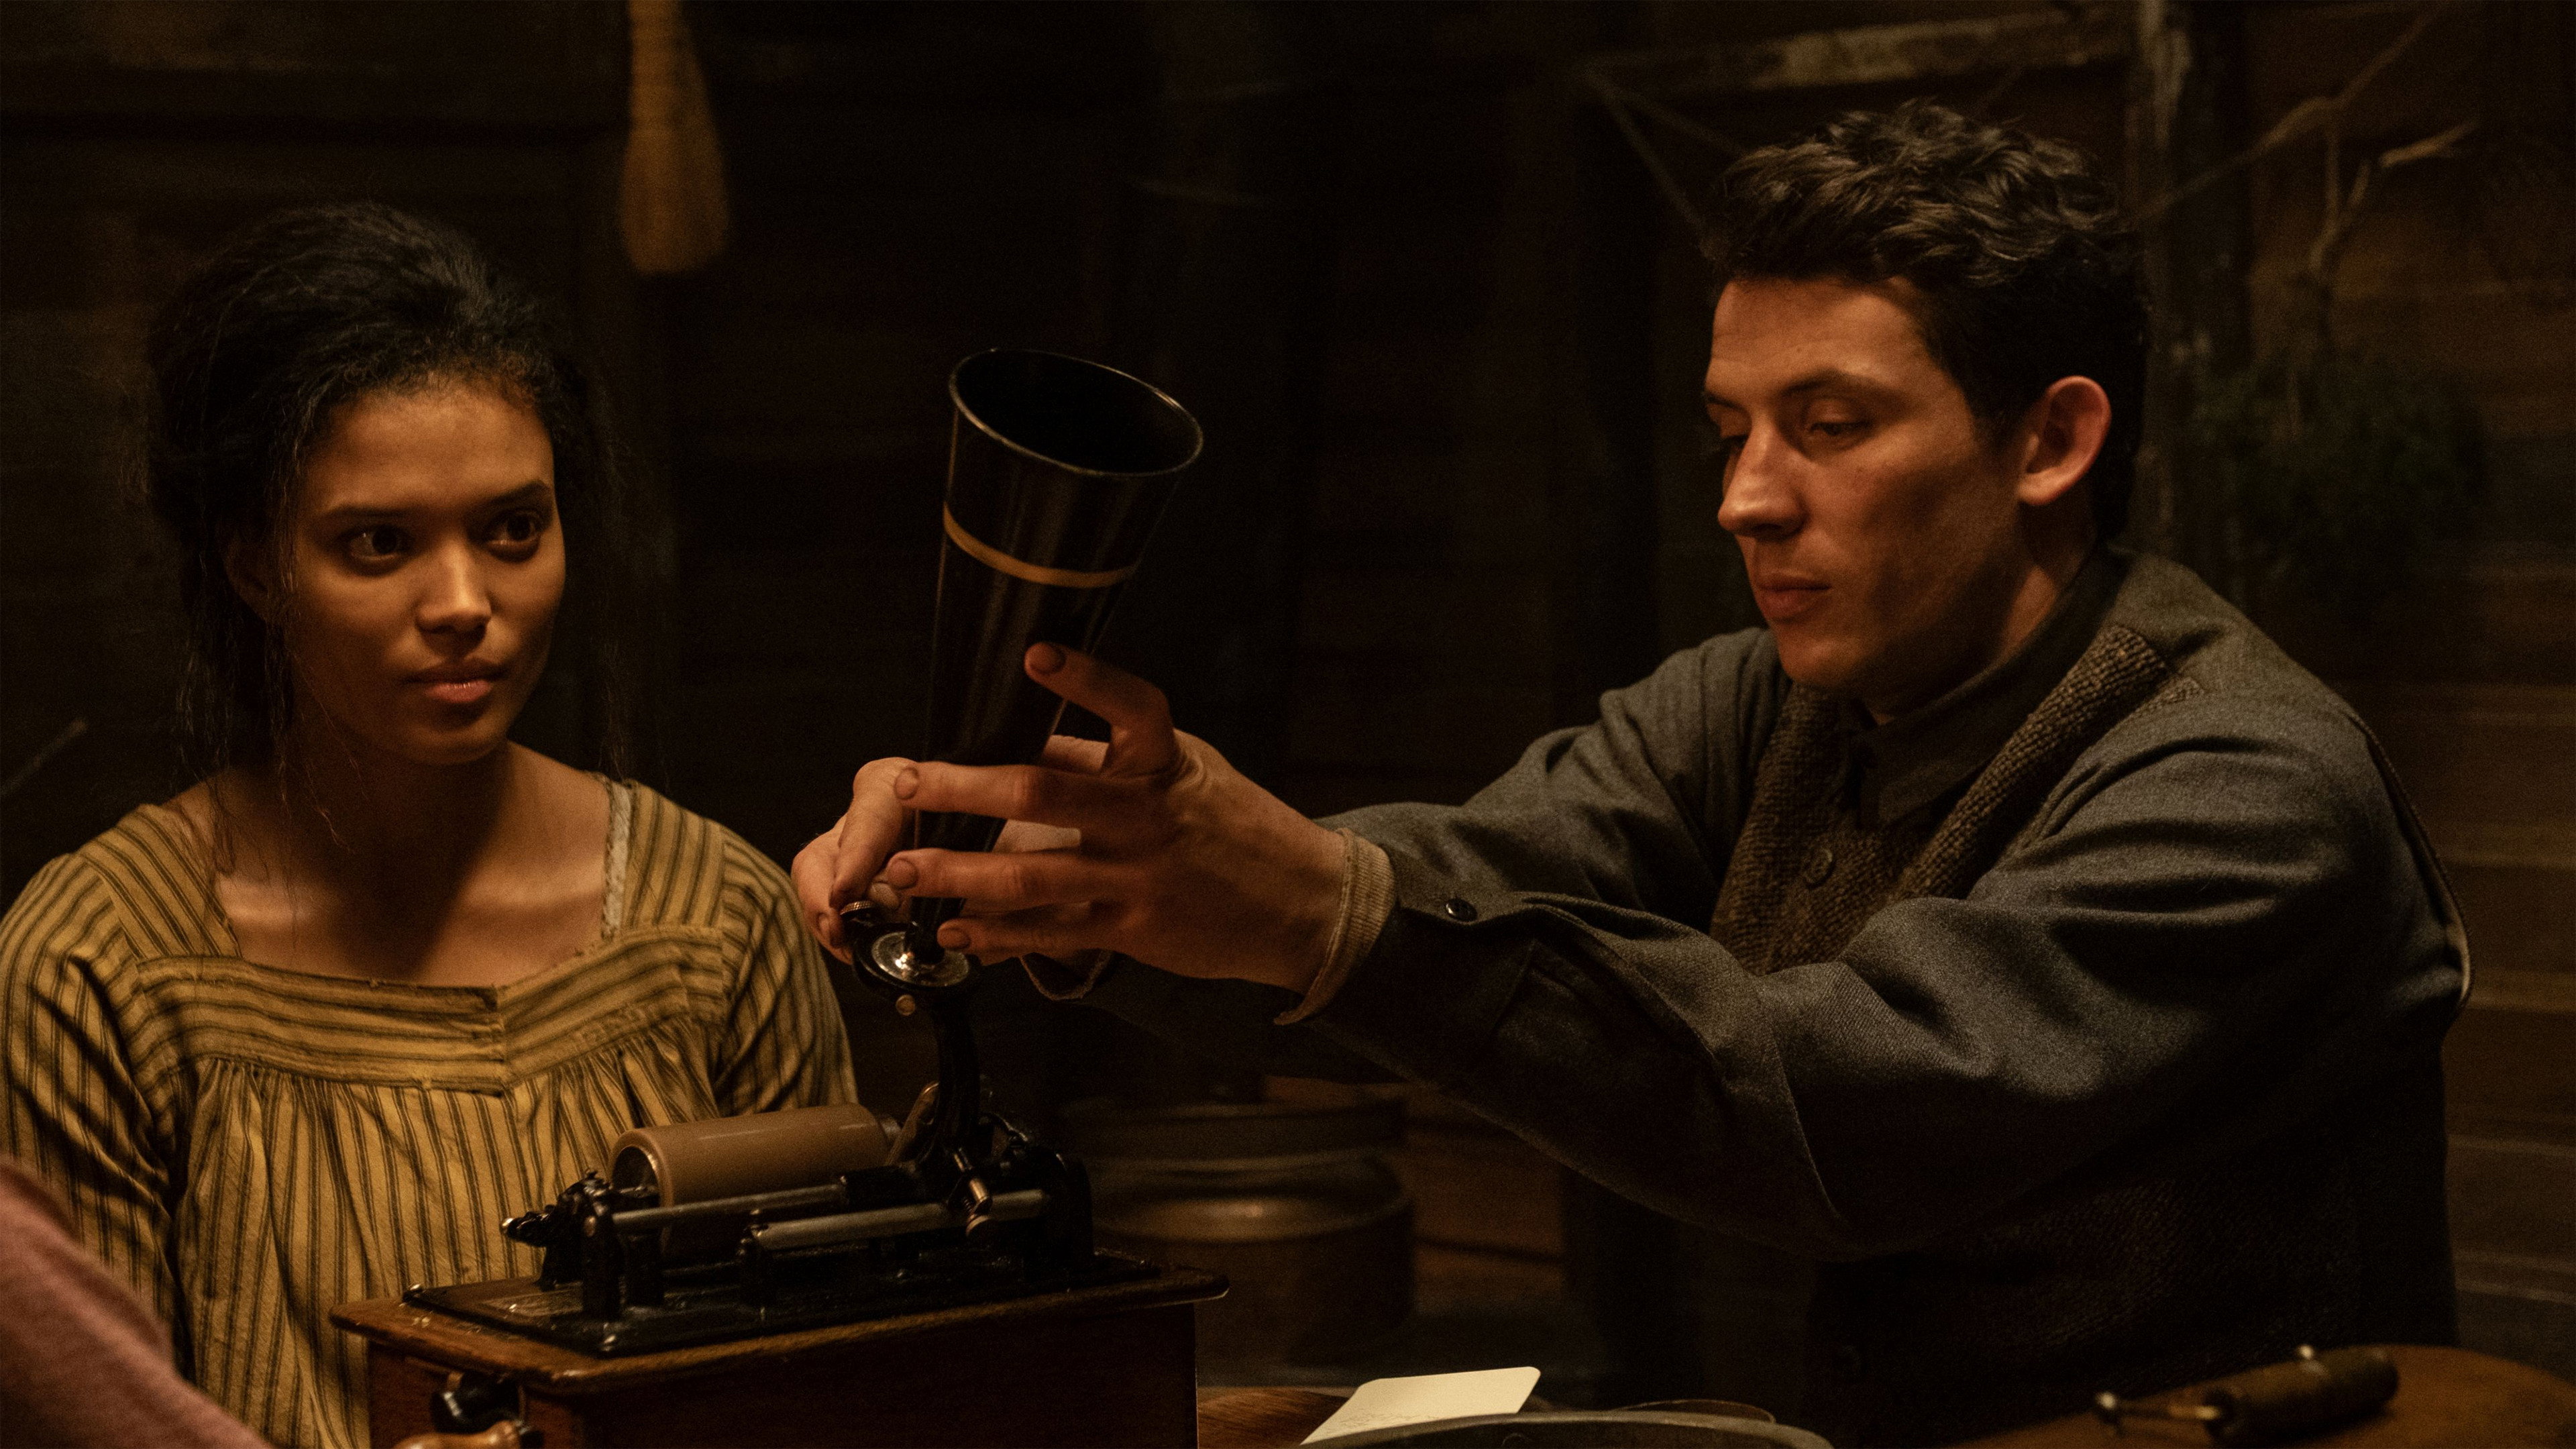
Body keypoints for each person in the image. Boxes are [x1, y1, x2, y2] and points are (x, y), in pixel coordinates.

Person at [794, 103, 2468, 1444]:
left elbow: (1838, 1111)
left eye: (1829, 425)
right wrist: (1068, 868)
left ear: (2053, 440)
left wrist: (1321, 907)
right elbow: (1460, 886)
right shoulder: (1762, 703)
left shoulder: (2243, 779)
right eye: (1731, 431)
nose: (1747, 498)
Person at [0, 205, 857, 1449]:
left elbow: (830, 1379)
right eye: (379, 543)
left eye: (513, 529)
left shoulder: (710, 918)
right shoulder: (100, 962)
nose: (463, 602)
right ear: (254, 564)